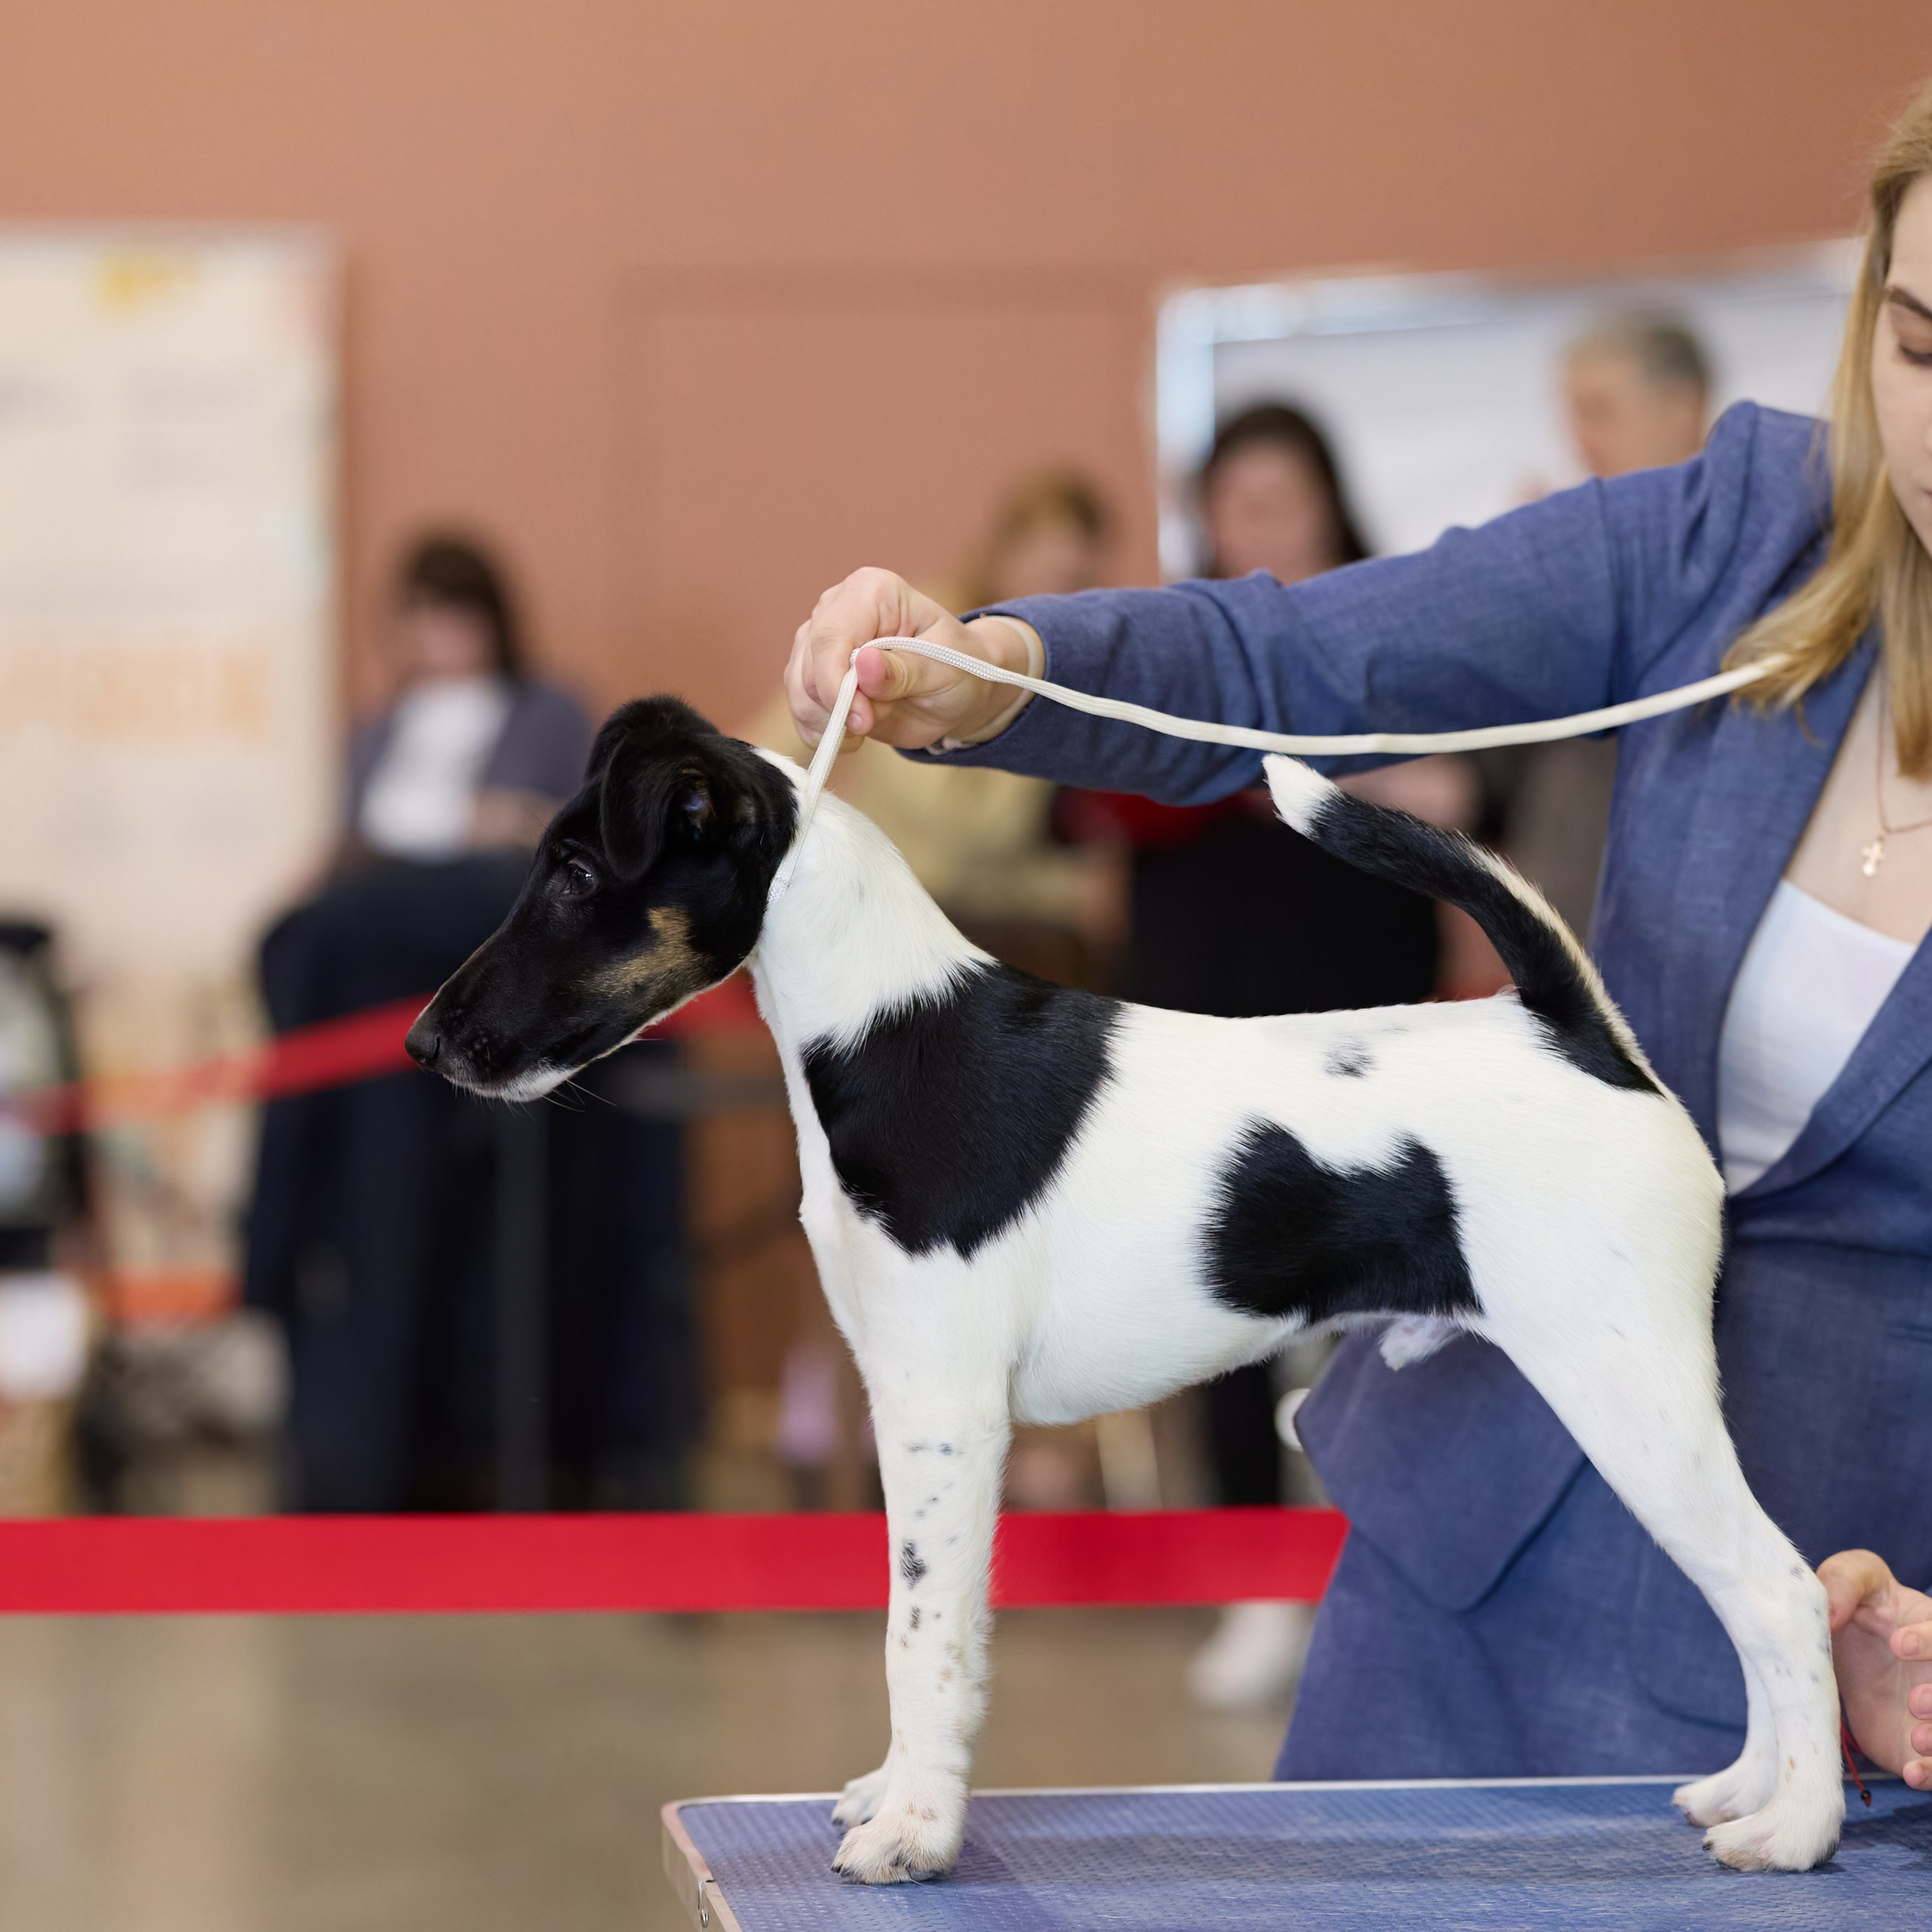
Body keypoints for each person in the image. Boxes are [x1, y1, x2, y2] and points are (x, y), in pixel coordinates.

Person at [785, 78, 1932, 1791]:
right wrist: (992, 670)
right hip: (1459, 1555)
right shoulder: (1737, 533)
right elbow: (1296, 663)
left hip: (1855, 1628)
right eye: (1913, 343)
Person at [1057, 405, 1464, 1706]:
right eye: (1238, 499)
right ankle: (1252, 1587)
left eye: (1283, 496)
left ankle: (1395, 1579)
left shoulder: (1392, 629)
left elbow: (1458, 798)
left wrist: (1313, 773)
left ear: (1331, 501)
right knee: (1220, 1304)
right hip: (1206, 1020)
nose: (1262, 523)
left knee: (1388, 1308)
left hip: (1361, 1017)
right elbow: (1095, 804)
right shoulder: (1178, 641)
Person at [1505, 315, 1719, 939]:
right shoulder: (1578, 546)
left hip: (1682, 915)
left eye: (1599, 410)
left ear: (1683, 406)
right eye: (1572, 413)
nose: (1580, 438)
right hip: (1565, 911)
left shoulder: (1750, 553)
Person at [343, 535, 592, 866]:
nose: (441, 631)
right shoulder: (376, 729)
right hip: (387, 889)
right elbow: (351, 838)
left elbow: (590, 827)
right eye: (424, 613)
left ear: (492, 619)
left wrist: (513, 820)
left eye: (457, 614)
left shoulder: (551, 713)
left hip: (494, 889)